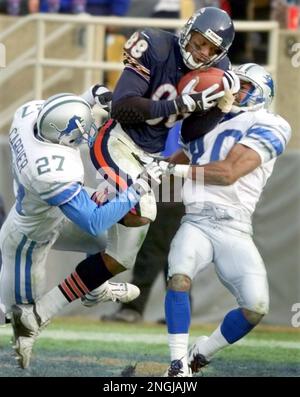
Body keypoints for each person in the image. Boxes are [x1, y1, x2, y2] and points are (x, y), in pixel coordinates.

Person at [84, 6, 238, 309]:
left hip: (166, 164)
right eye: (200, 41)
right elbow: (122, 106)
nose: (203, 51)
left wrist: (218, 109)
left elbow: (192, 133)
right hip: (127, 147)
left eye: (212, 48)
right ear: (188, 30)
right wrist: (179, 104)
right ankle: (87, 211)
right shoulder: (154, 44)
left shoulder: (218, 72)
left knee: (159, 239)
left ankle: (166, 311)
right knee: (144, 221)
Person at [0, 90, 162, 368]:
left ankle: (93, 290)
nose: (87, 132)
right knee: (16, 312)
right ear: (65, 137)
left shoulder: (29, 114)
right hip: (29, 238)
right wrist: (138, 188)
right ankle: (25, 334)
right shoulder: (50, 171)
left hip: (52, 214)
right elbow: (93, 220)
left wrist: (90, 96)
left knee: (113, 247)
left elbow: (63, 109)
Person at [159, 63, 291, 377]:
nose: (238, 92)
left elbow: (228, 174)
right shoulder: (208, 120)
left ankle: (201, 352)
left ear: (262, 95)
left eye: (247, 87)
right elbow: (182, 156)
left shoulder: (270, 123)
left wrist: (171, 171)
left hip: (235, 226)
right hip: (196, 220)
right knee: (179, 277)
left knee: (255, 308)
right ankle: (177, 364)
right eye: (236, 85)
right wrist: (148, 170)